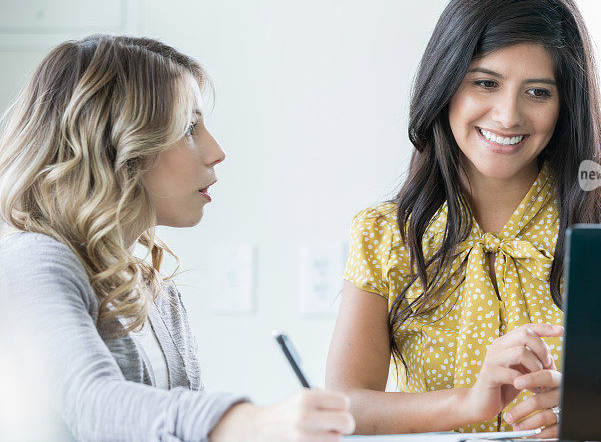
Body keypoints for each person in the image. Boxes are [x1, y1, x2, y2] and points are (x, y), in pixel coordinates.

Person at [326, 0, 601, 436]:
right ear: (444, 84)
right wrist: (467, 404)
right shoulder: (386, 234)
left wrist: (588, 414)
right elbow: (345, 405)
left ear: (565, 104)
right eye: (485, 83)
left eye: (538, 92)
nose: (508, 116)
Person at [0, 35, 355, 442]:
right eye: (189, 128)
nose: (217, 151)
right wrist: (253, 423)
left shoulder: (156, 292)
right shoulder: (31, 262)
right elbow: (93, 405)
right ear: (116, 143)